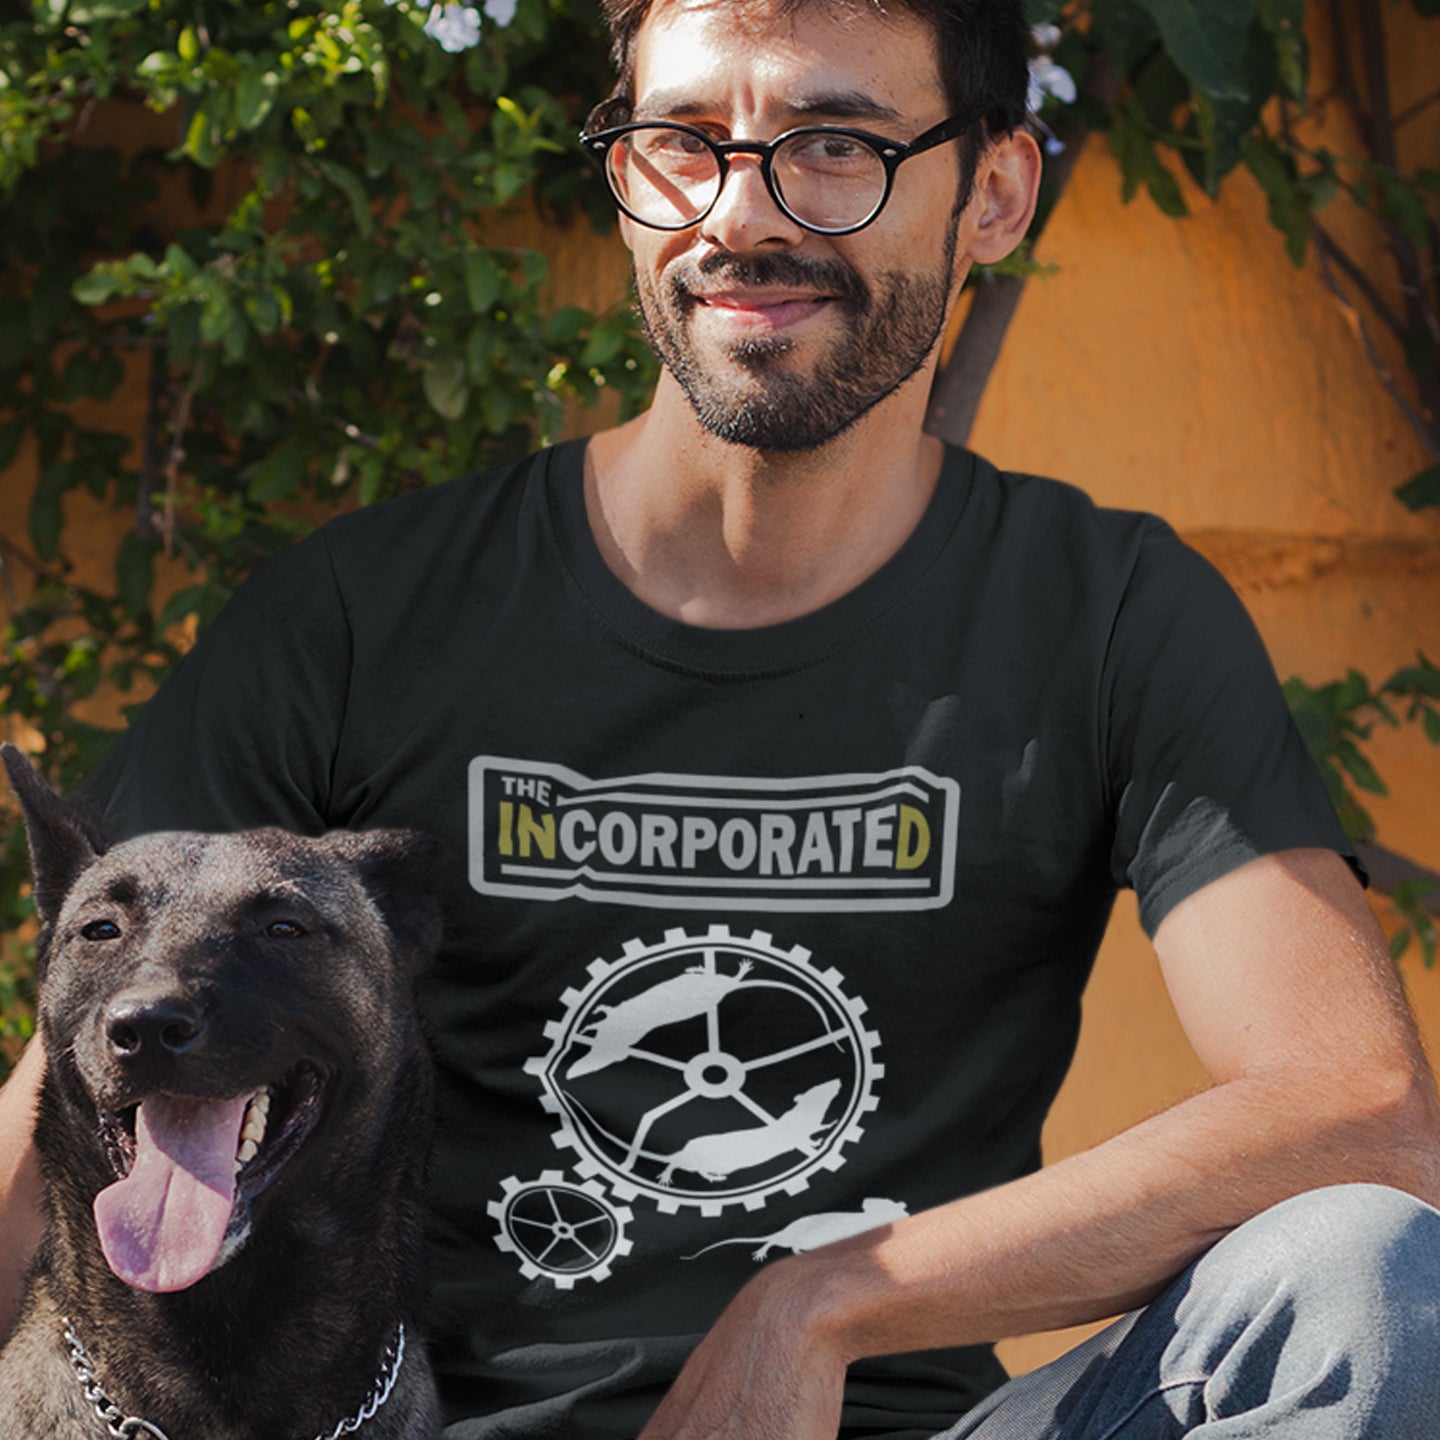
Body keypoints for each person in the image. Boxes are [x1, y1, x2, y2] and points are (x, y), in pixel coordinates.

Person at [3, 1, 1440, 1436]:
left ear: (993, 193)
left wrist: (820, 1301)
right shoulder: (361, 617)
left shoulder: (1107, 612)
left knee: (1360, 1275)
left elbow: (1357, 1110)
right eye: (684, 142)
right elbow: (69, 1094)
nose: (741, 217)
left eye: (834, 146)